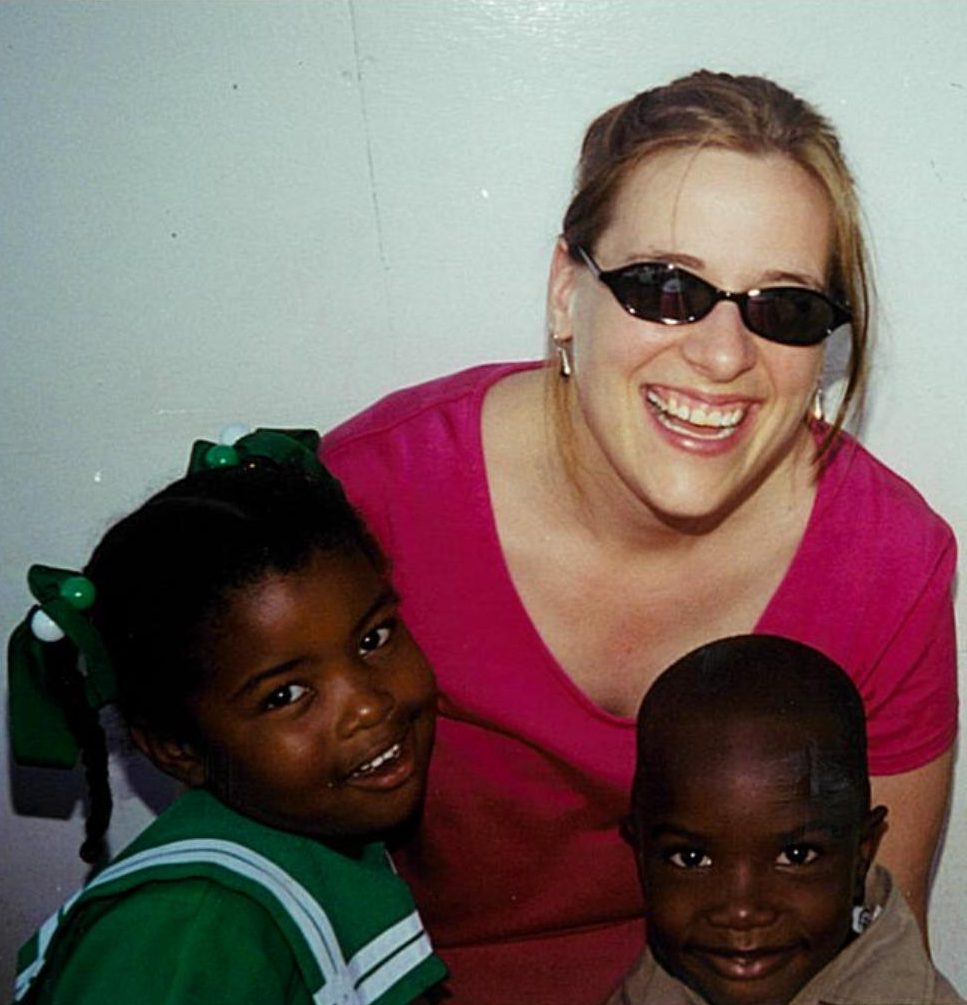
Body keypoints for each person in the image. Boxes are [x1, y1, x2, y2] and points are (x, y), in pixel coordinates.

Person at [320, 70, 958, 1004]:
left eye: (781, 308)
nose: (723, 354)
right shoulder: (375, 497)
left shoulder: (887, 565)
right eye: (665, 287)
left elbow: (868, 948)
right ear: (562, 289)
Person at [7, 429, 446, 1005]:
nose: (367, 705)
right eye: (285, 695)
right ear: (177, 749)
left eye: (374, 637)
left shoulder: (322, 831)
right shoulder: (186, 936)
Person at [609, 633, 963, 1005]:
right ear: (641, 855)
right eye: (692, 859)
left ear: (862, 855)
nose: (742, 911)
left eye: (796, 856)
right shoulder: (649, 989)